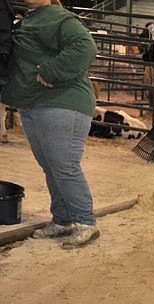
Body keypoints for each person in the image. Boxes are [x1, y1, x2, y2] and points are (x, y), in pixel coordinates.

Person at [1, 0, 99, 248]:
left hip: (63, 102)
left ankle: (85, 221)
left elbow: (85, 46)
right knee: (51, 166)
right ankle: (63, 220)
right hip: (36, 104)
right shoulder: (30, 17)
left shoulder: (57, 16)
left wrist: (50, 71)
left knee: (64, 166)